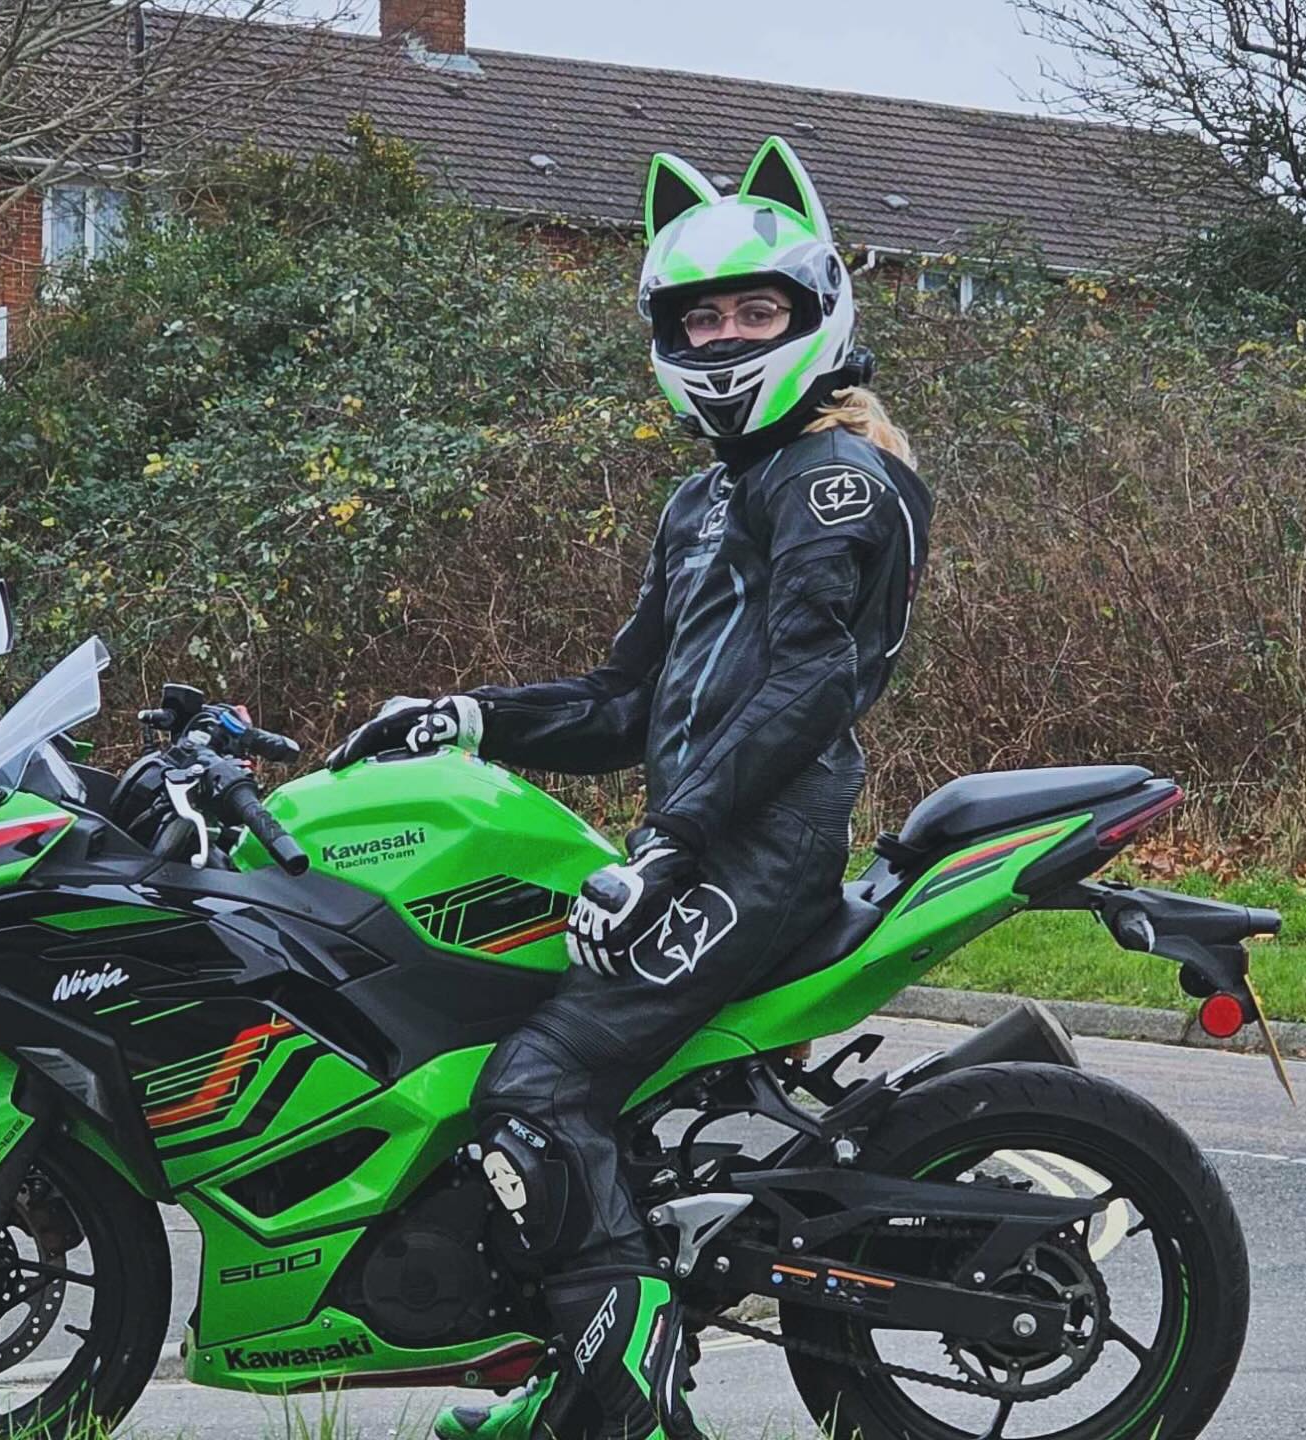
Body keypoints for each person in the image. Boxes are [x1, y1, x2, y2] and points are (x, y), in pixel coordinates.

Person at [327, 135, 933, 1440]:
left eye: (751, 310)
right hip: (704, 841)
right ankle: (566, 1360)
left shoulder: (834, 480)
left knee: (536, 1086)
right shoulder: (705, 500)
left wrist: (667, 846)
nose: (722, 335)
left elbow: (805, 691)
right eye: (697, 314)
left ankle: (618, 1395)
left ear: (817, 310)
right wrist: (464, 717)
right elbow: (623, 705)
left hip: (760, 854)